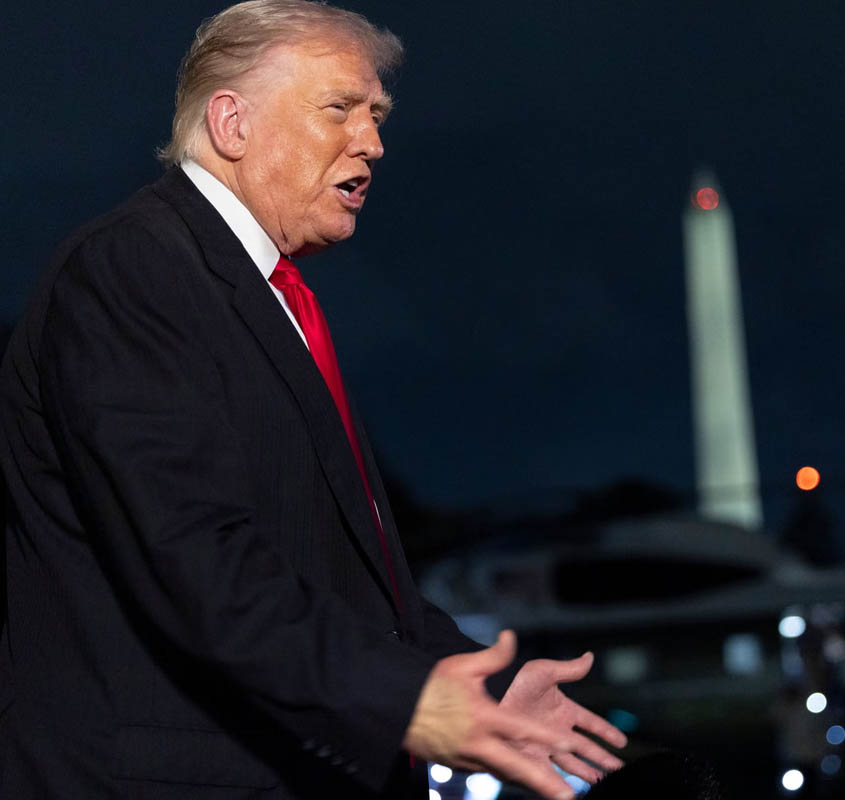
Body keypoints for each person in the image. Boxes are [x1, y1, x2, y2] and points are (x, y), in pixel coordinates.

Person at [0, 2, 626, 798]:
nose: (373, 142)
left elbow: (337, 584)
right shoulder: (132, 271)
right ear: (232, 123)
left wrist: (478, 692)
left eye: (377, 115)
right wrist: (406, 703)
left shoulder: (269, 297)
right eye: (340, 109)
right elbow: (195, 558)